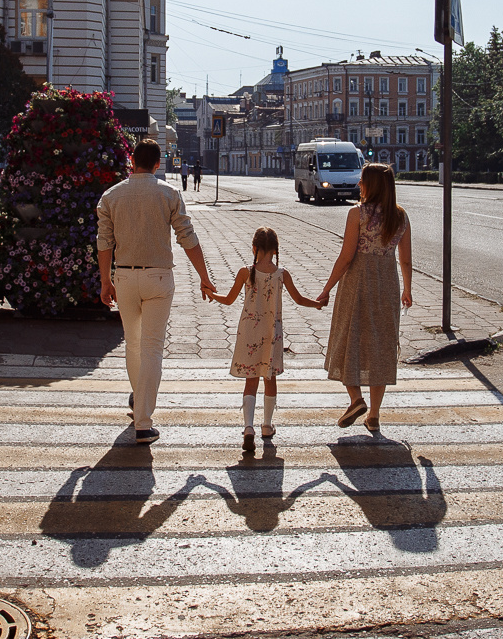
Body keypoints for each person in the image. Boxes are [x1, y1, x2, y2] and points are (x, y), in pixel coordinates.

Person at [96, 139, 215, 443]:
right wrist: (204, 276)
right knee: (152, 347)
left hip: (124, 277)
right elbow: (187, 237)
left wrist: (105, 281)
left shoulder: (111, 196)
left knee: (133, 344)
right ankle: (143, 423)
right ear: (158, 164)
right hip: (159, 279)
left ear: (131, 161)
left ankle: (139, 399)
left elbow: (104, 242)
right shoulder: (169, 193)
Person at [316, 161, 412, 436]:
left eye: (362, 180)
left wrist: (326, 288)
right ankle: (374, 416)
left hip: (357, 283)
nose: (358, 184)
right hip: (387, 284)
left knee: (347, 339)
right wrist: (407, 289)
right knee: (381, 347)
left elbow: (347, 257)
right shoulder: (401, 216)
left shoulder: (357, 214)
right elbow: (405, 258)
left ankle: (356, 399)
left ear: (371, 185)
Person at [208, 226, 324, 452]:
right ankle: (267, 425)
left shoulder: (245, 272)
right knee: (270, 380)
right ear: (275, 250)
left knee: (250, 380)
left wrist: (211, 293)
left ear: (254, 248)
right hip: (272, 334)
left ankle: (248, 427)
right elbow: (299, 299)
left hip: (249, 332)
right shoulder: (282, 274)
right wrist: (317, 303)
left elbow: (229, 300)